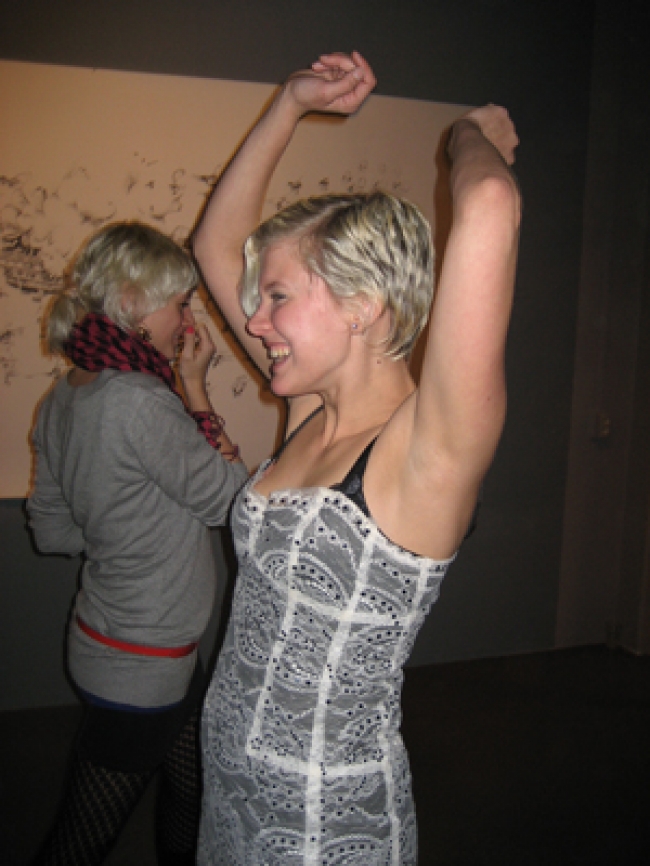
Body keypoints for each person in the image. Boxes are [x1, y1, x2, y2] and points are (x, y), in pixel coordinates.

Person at [192, 51, 520, 865]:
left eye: (278, 296)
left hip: (321, 818)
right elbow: (213, 244)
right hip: (228, 786)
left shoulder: (426, 450)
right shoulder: (311, 410)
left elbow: (489, 201)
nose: (255, 319)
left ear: (363, 307)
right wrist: (289, 105)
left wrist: (467, 134)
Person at [27, 221, 248, 866]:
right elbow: (231, 503)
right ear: (131, 301)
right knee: (81, 840)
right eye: (179, 302)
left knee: (190, 790)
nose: (188, 319)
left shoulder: (64, 396)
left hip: (115, 641)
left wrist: (123, 527)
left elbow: (52, 529)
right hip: (143, 663)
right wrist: (197, 387)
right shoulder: (143, 400)